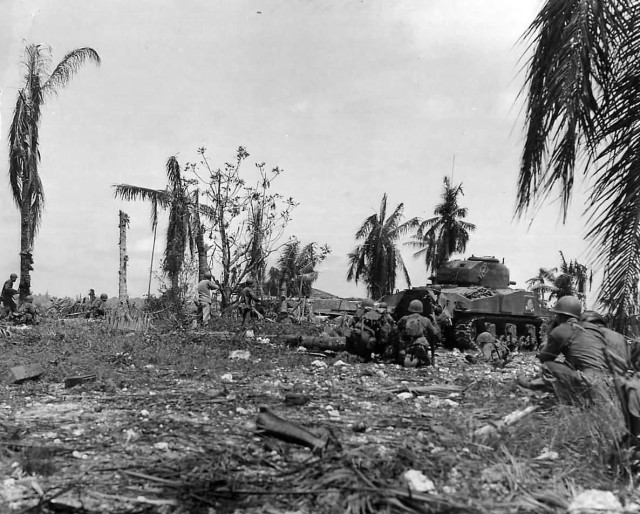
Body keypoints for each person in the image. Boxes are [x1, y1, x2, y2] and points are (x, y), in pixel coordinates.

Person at [518, 296, 620, 404]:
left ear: (560, 316)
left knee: (548, 366)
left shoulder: (561, 330)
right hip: (609, 383)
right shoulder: (593, 329)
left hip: (590, 382)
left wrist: (548, 337)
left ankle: (538, 387)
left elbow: (544, 358)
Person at [395, 299, 439, 367]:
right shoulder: (425, 320)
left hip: (407, 345)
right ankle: (419, 360)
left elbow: (396, 329)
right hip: (420, 344)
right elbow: (435, 332)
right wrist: (435, 322)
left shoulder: (404, 319)